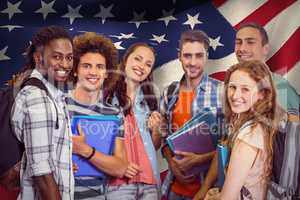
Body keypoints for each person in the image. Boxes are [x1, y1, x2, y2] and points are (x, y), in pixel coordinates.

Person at [66, 32, 133, 199]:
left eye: (100, 66)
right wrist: (61, 163)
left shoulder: (114, 113)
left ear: (106, 73)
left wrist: (84, 149)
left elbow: (120, 168)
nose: (93, 72)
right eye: (86, 66)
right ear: (75, 70)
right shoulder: (58, 105)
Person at [11, 26, 74, 199]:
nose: (65, 64)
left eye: (69, 57)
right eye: (57, 57)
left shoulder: (53, 95)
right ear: (39, 59)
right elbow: (42, 173)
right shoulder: (37, 97)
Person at [160, 30, 223, 200]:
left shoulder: (222, 91)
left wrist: (200, 159)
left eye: (198, 56)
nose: (193, 62)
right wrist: (171, 163)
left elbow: (230, 143)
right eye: (187, 56)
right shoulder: (169, 92)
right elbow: (163, 137)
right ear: (179, 56)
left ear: (206, 56)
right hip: (175, 189)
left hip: (209, 191)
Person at [205, 60, 278, 200]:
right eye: (232, 87)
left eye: (245, 89)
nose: (235, 95)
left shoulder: (248, 134)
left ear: (262, 94)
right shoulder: (257, 124)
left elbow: (228, 198)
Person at [106, 43, 163, 200]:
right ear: (126, 60)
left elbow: (154, 145)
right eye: (138, 59)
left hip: (149, 181)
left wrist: (157, 130)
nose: (142, 66)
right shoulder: (107, 96)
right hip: (118, 183)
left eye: (148, 64)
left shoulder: (149, 101)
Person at [234, 22, 299, 119]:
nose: (242, 48)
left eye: (250, 42)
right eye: (239, 42)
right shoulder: (231, 87)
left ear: (265, 49)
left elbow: (294, 132)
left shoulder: (280, 88)